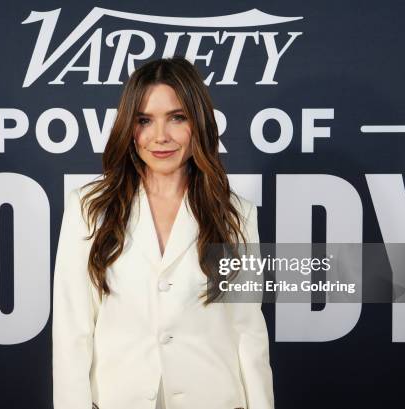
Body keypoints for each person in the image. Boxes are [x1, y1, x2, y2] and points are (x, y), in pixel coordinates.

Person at [52, 56, 274, 409]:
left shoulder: (235, 214)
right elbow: (72, 332)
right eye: (145, 120)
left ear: (197, 123)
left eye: (177, 117)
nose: (160, 137)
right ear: (129, 127)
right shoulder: (89, 210)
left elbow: (247, 331)